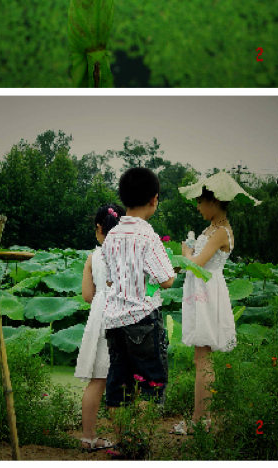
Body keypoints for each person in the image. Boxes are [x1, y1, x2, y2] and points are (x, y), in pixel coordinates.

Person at [175, 172, 259, 435]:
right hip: (200, 289)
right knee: (201, 356)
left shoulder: (221, 231)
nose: (198, 207)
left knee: (204, 357)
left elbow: (197, 264)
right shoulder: (209, 229)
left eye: (201, 202)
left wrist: (185, 253)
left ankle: (200, 419)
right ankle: (201, 417)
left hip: (208, 292)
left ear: (214, 202)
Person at [102, 168, 176, 448]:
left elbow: (110, 278)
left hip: (114, 321)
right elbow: (166, 280)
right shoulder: (147, 235)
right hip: (143, 319)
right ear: (154, 200)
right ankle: (137, 441)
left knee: (119, 384)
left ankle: (122, 443)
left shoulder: (111, 237)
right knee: (150, 383)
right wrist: (175, 270)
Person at [75, 203, 123, 452]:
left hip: (99, 315)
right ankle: (123, 438)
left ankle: (88, 437)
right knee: (121, 380)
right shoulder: (127, 254)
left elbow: (86, 295)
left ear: (99, 228)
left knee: (97, 379)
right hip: (123, 314)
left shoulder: (93, 256)